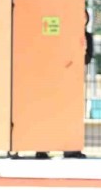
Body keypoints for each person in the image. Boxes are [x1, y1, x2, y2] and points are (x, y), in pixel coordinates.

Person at [36, 10, 92, 159]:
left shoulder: (87, 37)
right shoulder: (61, 34)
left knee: (71, 115)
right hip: (54, 80)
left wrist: (82, 48)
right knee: (48, 113)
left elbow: (87, 59)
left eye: (84, 17)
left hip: (73, 82)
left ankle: (71, 149)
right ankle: (42, 148)